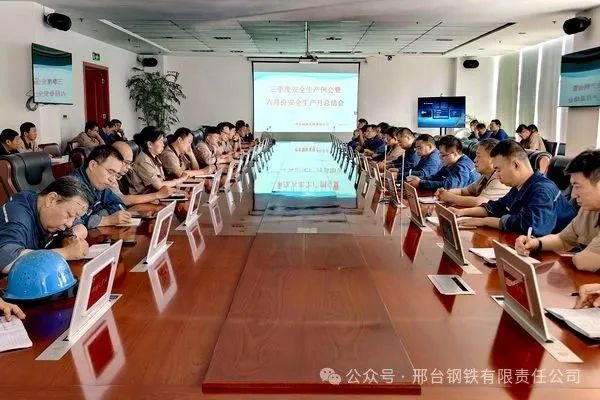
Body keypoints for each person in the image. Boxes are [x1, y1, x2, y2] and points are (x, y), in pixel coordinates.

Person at [452, 140, 574, 235]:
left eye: (498, 170)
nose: (497, 175)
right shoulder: (520, 187)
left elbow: (531, 226)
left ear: (515, 165)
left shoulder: (542, 190)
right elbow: (497, 207)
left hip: (559, 254)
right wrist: (461, 213)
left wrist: (485, 221)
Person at [515, 150, 600, 272]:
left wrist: (576, 256)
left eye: (577, 186)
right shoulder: (588, 210)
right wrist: (535, 243)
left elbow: (585, 262)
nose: (573, 195)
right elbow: (563, 239)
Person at [0, 176, 92, 273]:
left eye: (75, 218)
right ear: (51, 199)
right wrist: (66, 252)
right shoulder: (18, 214)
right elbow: (6, 261)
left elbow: (81, 228)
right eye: (69, 215)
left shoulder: (49, 211)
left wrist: (68, 238)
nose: (70, 224)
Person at [436, 138, 510, 207]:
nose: (474, 160)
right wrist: (447, 192)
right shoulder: (485, 176)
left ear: (493, 158)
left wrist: (450, 197)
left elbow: (480, 202)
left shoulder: (499, 178)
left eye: (478, 156)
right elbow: (464, 191)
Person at [71, 145, 130, 228]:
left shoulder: (99, 184)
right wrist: (107, 220)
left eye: (116, 175)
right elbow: (73, 223)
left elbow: (118, 203)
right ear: (92, 165)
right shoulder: (73, 187)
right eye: (110, 172)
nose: (113, 180)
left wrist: (100, 216)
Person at [111, 141, 174, 206]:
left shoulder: (156, 157)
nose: (129, 167)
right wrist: (157, 195)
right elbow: (122, 200)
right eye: (126, 162)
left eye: (130, 163)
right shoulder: (143, 160)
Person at [129, 126, 187, 195]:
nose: (163, 145)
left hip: (155, 195)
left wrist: (177, 190)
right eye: (160, 142)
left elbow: (162, 180)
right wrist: (181, 179)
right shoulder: (143, 161)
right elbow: (159, 185)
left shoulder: (155, 157)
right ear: (150, 144)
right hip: (143, 198)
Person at [407, 135, 479, 190]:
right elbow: (437, 177)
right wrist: (419, 179)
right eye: (440, 154)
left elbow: (449, 185)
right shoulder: (451, 163)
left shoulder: (462, 166)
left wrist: (421, 183)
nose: (440, 158)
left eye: (443, 155)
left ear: (456, 153)